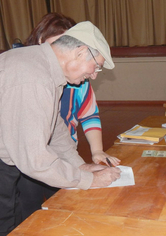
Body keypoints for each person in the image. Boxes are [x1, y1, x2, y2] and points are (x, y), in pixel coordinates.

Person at [0, 21, 122, 235]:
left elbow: (54, 127)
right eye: (97, 66)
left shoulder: (45, 68)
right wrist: (89, 180)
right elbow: (35, 160)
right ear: (80, 51)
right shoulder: (33, 78)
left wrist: (79, 166)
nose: (94, 75)